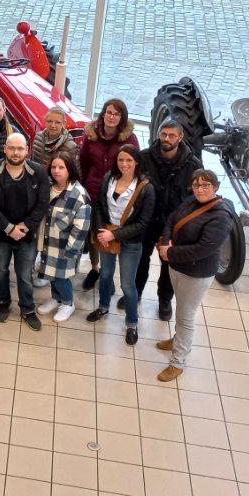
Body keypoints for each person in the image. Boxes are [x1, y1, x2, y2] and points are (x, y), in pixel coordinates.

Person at [156, 170, 236, 382]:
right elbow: (172, 219)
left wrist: (169, 252)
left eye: (205, 185)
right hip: (177, 266)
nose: (200, 190)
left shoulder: (221, 216)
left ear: (215, 187)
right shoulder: (191, 201)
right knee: (181, 310)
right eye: (196, 185)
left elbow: (203, 249)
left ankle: (178, 362)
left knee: (186, 316)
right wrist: (166, 242)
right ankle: (177, 339)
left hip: (196, 273)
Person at [0, 132, 50, 330]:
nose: (16, 152)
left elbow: (42, 204)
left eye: (20, 148)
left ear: (27, 150)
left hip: (26, 235)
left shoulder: (38, 172)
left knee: (25, 274)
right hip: (1, 234)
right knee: (1, 270)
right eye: (11, 148)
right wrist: (9, 228)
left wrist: (25, 227)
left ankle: (27, 308)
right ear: (5, 149)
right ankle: (3, 302)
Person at [86, 145, 155, 346]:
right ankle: (103, 307)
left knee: (127, 285)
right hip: (106, 235)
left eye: (129, 160)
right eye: (120, 160)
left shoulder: (146, 188)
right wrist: (101, 232)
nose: (124, 164)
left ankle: (132, 323)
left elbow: (142, 223)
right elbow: (99, 205)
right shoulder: (109, 177)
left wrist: (114, 234)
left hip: (130, 241)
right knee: (105, 275)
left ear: (137, 162)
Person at [136, 120, 202, 321]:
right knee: (140, 259)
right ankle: (135, 293)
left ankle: (164, 300)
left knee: (168, 264)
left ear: (180, 137)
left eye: (171, 135)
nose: (166, 139)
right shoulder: (144, 158)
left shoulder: (193, 165)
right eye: (163, 134)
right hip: (146, 221)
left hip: (173, 226)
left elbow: (195, 198)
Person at [77, 99, 139, 289]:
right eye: (109, 112)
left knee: (111, 232)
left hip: (117, 194)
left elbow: (135, 165)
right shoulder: (91, 136)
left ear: (122, 118)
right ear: (103, 113)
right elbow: (84, 163)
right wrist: (84, 186)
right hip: (93, 191)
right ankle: (95, 269)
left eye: (117, 114)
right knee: (94, 233)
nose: (112, 116)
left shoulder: (130, 139)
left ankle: (108, 273)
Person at [35, 152, 91, 323]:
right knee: (50, 275)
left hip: (65, 248)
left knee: (61, 278)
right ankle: (56, 299)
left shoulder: (79, 195)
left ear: (70, 170)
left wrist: (70, 251)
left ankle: (68, 303)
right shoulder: (48, 186)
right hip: (48, 242)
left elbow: (81, 227)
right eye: (53, 167)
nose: (56, 171)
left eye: (61, 167)